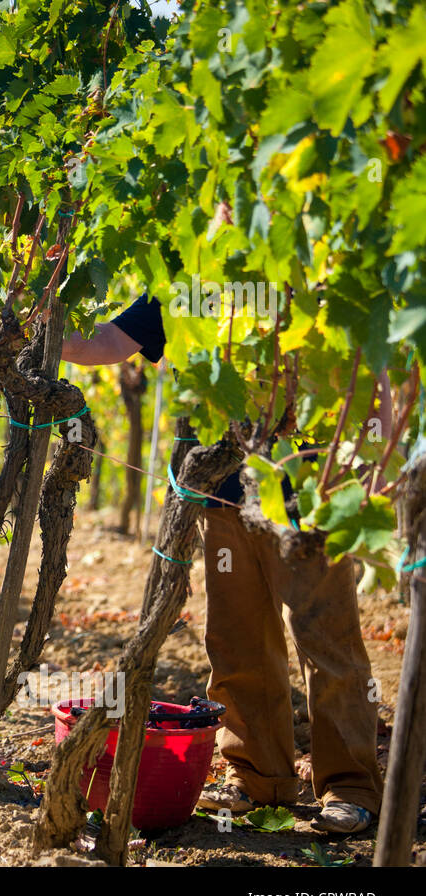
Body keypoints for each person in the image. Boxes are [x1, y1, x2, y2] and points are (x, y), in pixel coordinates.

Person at [62, 294, 386, 834]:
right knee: (236, 642)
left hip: (311, 493)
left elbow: (367, 364)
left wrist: (371, 457)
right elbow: (106, 344)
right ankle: (260, 779)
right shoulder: (189, 275)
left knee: (326, 643)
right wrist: (35, 329)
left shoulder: (312, 273)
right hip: (225, 496)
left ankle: (350, 787)